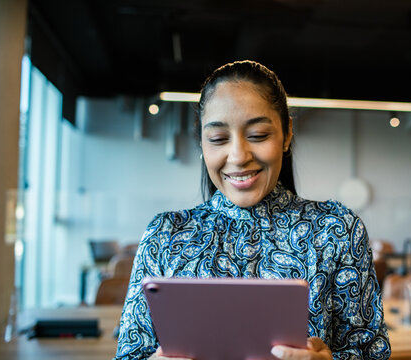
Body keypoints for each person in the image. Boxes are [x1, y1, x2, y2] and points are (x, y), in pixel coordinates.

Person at [114, 60, 391, 360]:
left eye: (258, 135)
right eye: (218, 139)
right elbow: (131, 353)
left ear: (286, 134)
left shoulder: (336, 230)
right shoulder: (165, 235)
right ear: (202, 145)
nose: (238, 156)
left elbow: (372, 352)